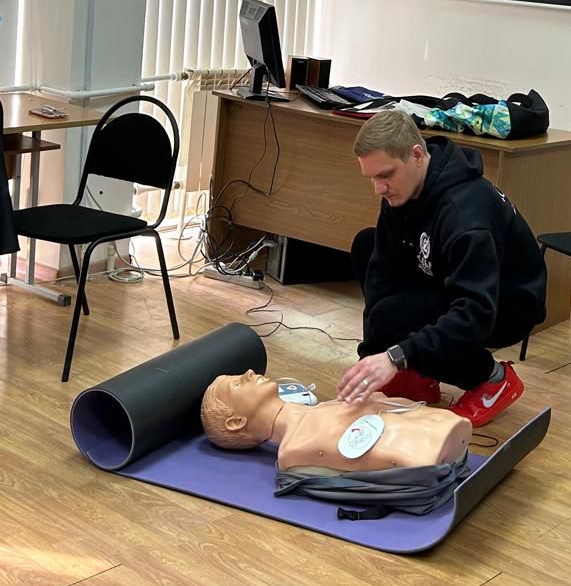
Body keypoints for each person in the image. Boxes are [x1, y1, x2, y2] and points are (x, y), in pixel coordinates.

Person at [336, 110, 547, 428]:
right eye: (372, 178)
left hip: (503, 303)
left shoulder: (465, 216)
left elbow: (474, 314)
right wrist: (372, 355)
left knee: (394, 318)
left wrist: (397, 355)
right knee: (367, 246)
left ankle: (492, 378)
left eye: (385, 175)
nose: (378, 189)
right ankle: (416, 372)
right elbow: (382, 273)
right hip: (452, 278)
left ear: (416, 155)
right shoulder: (404, 188)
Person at [200, 369, 472, 471]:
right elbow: (401, 457)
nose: (249, 372)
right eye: (237, 384)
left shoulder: (324, 409)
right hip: (436, 448)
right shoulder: (297, 446)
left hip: (445, 433)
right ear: (235, 422)